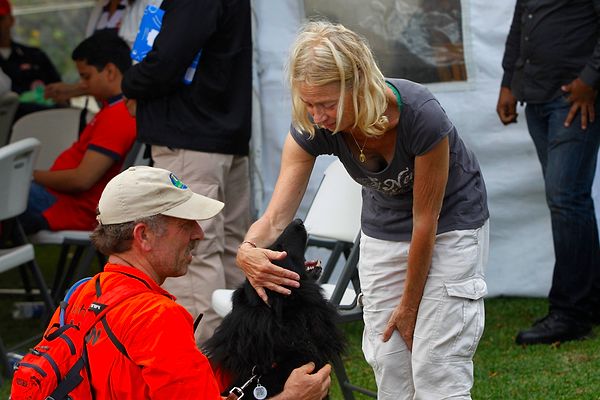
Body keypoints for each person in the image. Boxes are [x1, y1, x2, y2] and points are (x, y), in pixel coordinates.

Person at [236, 21, 489, 400]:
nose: (317, 115)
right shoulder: (313, 124)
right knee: (390, 363)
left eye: (327, 104)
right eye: (309, 103)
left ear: (360, 82)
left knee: (437, 367)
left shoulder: (421, 115)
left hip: (449, 225)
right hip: (384, 229)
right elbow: (275, 216)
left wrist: (408, 305)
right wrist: (247, 251)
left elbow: (425, 222)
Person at [43, 165, 331, 399]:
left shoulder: (81, 292)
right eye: (184, 224)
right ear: (143, 236)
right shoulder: (156, 317)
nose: (198, 234)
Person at [121, 0, 252, 346]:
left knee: (190, 254)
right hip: (222, 135)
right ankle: (237, 359)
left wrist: (130, 82)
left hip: (189, 137)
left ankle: (202, 366)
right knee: (230, 251)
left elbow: (167, 60)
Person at [497, 1, 600, 345]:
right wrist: (509, 82)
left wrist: (590, 80)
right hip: (537, 96)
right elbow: (520, 25)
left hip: (574, 98)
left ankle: (570, 313)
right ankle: (590, 300)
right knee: (571, 201)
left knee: (566, 198)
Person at [19, 32, 136, 234]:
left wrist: (29, 175)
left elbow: (81, 180)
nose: (81, 84)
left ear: (109, 71)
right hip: (59, 201)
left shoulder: (119, 114)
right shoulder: (116, 109)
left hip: (65, 207)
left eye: (86, 76)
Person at [44, 0, 162, 104]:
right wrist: (77, 89)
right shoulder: (101, 7)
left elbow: (147, 60)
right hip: (115, 102)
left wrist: (134, 95)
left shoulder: (151, 4)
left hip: (137, 99)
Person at [0, 0, 62, 118]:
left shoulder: (34, 56)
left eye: (0, 19)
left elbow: (59, 91)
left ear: (11, 20)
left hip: (45, 119)